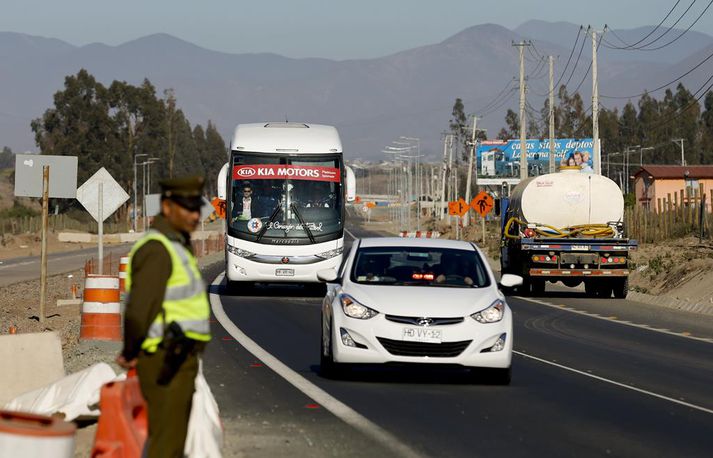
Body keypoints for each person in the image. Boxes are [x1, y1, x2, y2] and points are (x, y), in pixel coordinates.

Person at [116, 175, 212, 458]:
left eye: (197, 209)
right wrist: (131, 351)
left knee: (172, 440)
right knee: (166, 445)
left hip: (179, 357)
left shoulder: (176, 245)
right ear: (168, 207)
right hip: (164, 358)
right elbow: (138, 310)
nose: (195, 215)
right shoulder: (157, 250)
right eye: (188, 208)